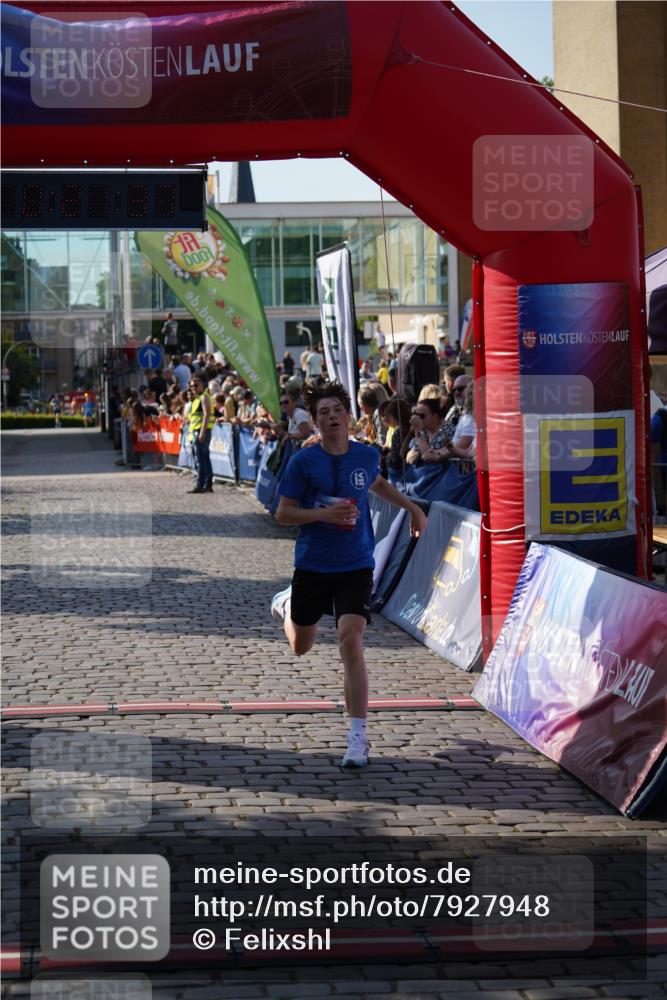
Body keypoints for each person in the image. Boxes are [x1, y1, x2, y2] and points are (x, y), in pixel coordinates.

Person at [270, 382, 428, 769]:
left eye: (337, 409)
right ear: (317, 422)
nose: (331, 416)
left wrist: (412, 509)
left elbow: (376, 482)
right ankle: (289, 603)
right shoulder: (303, 463)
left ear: (348, 415)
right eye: (323, 412)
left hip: (356, 563)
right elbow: (283, 514)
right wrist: (323, 515)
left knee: (350, 640)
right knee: (301, 646)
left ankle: (358, 738)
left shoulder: (367, 455)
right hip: (313, 562)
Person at [187, 373, 215, 493]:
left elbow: (207, 414)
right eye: (191, 385)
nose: (193, 387)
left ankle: (200, 484)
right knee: (205, 458)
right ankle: (208, 484)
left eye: (195, 385)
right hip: (198, 430)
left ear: (202, 384)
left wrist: (202, 432)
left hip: (201, 431)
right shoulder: (197, 398)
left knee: (201, 459)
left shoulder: (204, 397)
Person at [406, 397, 453, 465]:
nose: (418, 419)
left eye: (422, 416)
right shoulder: (425, 431)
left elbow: (427, 458)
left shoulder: (447, 430)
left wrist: (418, 432)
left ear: (435, 416)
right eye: (416, 415)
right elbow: (409, 458)